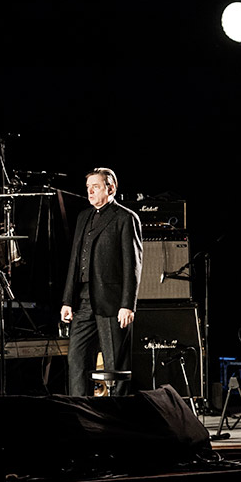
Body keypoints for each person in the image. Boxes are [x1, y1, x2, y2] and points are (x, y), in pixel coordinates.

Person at [60, 168, 143, 397]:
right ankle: (82, 411)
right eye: (88, 188)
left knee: (114, 366)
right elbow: (75, 261)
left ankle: (118, 414)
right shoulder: (83, 217)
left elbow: (132, 265)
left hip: (113, 303)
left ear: (111, 188)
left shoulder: (125, 218)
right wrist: (67, 300)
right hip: (83, 301)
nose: (90, 192)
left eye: (95, 187)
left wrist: (127, 305)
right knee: (76, 359)